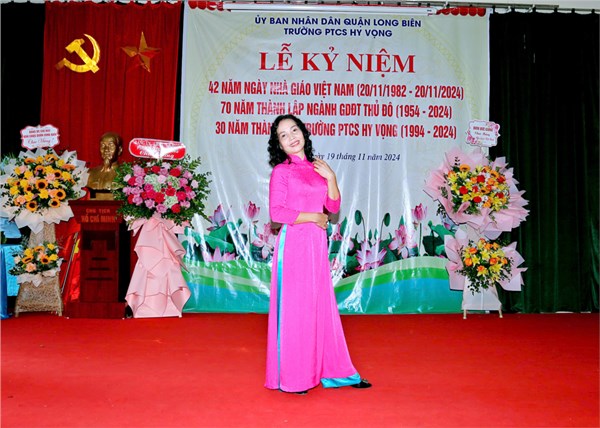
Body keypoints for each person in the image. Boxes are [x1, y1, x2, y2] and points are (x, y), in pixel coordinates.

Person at [264, 114, 371, 394]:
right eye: (283, 135)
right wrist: (313, 216)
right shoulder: (282, 172)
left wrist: (331, 178)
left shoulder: (318, 168)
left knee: (322, 307)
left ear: (303, 133)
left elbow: (333, 207)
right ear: (279, 145)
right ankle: (295, 377)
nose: (291, 137)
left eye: (294, 130)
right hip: (294, 245)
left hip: (316, 246)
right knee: (296, 311)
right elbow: (277, 213)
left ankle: (337, 371)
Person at [86, 132, 123, 198]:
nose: (106, 149)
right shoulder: (90, 173)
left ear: (119, 150)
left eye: (111, 146)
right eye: (102, 145)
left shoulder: (126, 174)